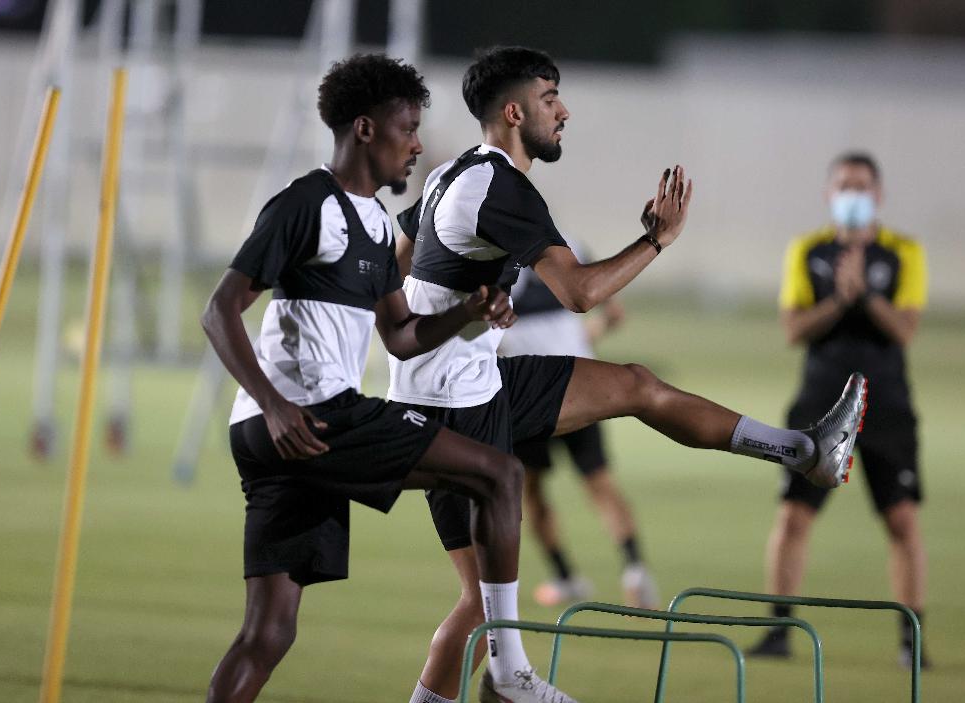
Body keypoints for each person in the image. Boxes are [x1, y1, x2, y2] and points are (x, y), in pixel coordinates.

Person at [388, 46, 868, 703]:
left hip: (443, 391)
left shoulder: (452, 174)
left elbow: (403, 256)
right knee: (634, 392)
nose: (563, 110)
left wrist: (445, 320)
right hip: (461, 402)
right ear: (512, 110)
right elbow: (581, 293)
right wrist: (657, 241)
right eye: (550, 96)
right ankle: (511, 678)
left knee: (480, 598)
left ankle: (805, 449)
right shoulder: (502, 185)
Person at [200, 54, 583, 703]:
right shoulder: (305, 202)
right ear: (366, 129)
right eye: (407, 128)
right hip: (310, 417)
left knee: (268, 633)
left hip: (290, 433)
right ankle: (509, 671)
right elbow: (219, 310)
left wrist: (468, 310)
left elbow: (402, 338)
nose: (418, 144)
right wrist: (273, 403)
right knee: (501, 473)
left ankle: (503, 670)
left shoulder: (378, 226)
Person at [747, 152, 930, 669]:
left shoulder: (903, 253)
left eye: (863, 186)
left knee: (902, 519)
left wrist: (866, 296)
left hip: (887, 404)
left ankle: (910, 641)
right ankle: (779, 630)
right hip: (819, 404)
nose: (854, 195)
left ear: (879, 194)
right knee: (794, 516)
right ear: (829, 194)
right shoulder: (808, 251)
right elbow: (792, 329)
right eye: (845, 185)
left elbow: (905, 330)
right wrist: (837, 299)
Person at [498, 250, 658, 610]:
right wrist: (576, 343)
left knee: (533, 490)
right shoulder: (571, 246)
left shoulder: (495, 247)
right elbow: (614, 314)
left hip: (526, 388)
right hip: (578, 380)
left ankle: (566, 577)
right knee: (599, 482)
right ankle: (635, 571)